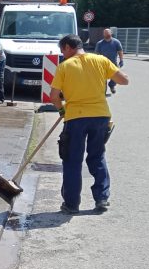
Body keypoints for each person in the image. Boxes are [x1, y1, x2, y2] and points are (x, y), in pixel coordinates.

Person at [50, 34, 129, 214]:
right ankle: (101, 198)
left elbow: (54, 97)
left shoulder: (65, 66)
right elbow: (124, 80)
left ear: (69, 47)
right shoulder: (100, 60)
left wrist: (62, 110)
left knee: (72, 160)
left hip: (75, 118)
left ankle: (71, 204)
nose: (62, 54)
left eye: (63, 50)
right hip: (101, 116)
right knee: (97, 155)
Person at [95, 28, 124, 94]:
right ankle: (103, 91)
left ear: (111, 33)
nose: (107, 35)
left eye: (108, 33)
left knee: (116, 76)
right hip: (102, 64)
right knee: (103, 78)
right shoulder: (99, 43)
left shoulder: (116, 42)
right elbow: (96, 54)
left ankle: (111, 85)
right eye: (105, 33)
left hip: (113, 63)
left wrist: (121, 60)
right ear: (103, 34)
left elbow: (120, 51)